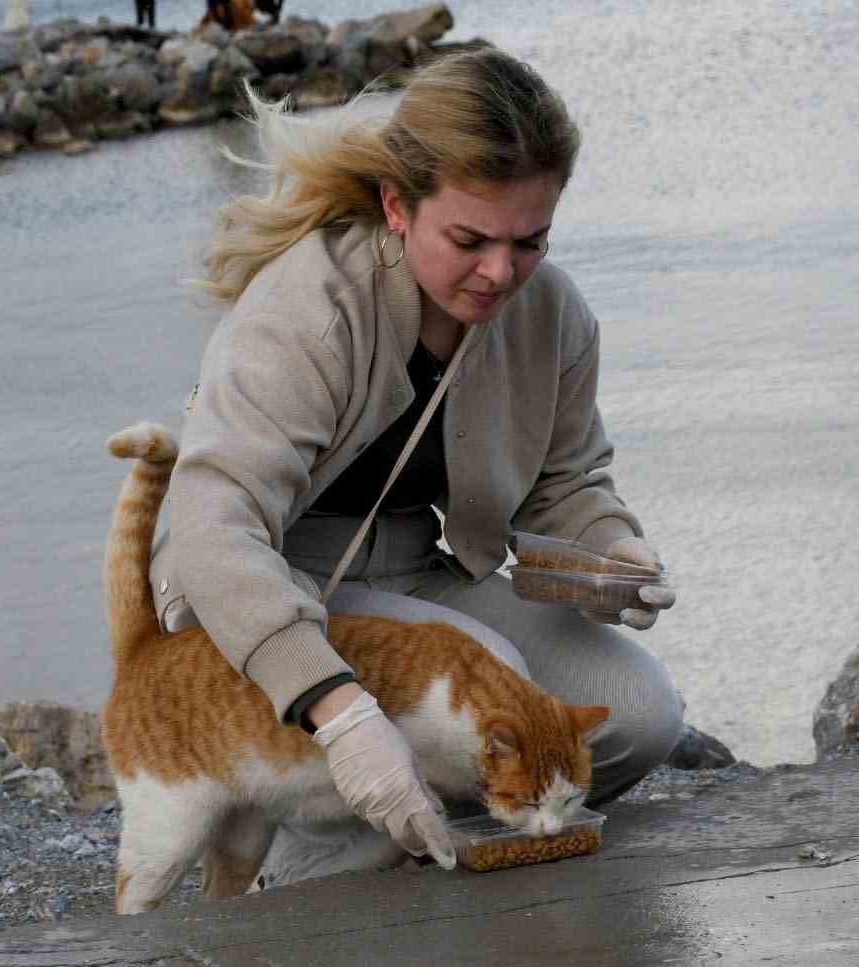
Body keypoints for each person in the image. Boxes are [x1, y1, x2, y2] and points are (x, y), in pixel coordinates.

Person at [148, 47, 685, 887]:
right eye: (469, 240)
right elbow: (211, 533)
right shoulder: (309, 307)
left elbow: (567, 482)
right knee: (481, 690)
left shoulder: (552, 314)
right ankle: (288, 865)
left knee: (643, 715)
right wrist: (336, 705)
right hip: (248, 595)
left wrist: (615, 555)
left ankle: (414, 822)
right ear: (398, 206)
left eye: (530, 241)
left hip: (412, 573)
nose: (500, 273)